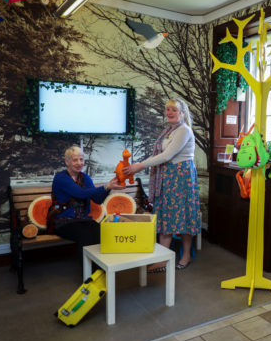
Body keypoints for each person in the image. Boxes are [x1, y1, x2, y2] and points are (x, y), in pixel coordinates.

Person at [124, 98, 201, 272]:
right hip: (167, 177)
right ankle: (163, 258)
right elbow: (163, 156)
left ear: (182, 113)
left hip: (182, 178)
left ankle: (186, 255)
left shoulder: (184, 131)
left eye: (174, 109)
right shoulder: (169, 131)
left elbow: (167, 155)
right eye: (167, 109)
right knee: (165, 215)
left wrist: (139, 165)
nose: (170, 112)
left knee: (184, 216)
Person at [51, 145, 125, 252]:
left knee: (100, 231)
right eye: (75, 160)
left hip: (82, 220)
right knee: (85, 235)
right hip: (63, 222)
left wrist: (109, 187)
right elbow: (80, 193)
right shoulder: (60, 178)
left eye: (81, 159)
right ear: (67, 162)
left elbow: (97, 200)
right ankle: (87, 268)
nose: (79, 163)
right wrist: (106, 186)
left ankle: (101, 265)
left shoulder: (85, 178)